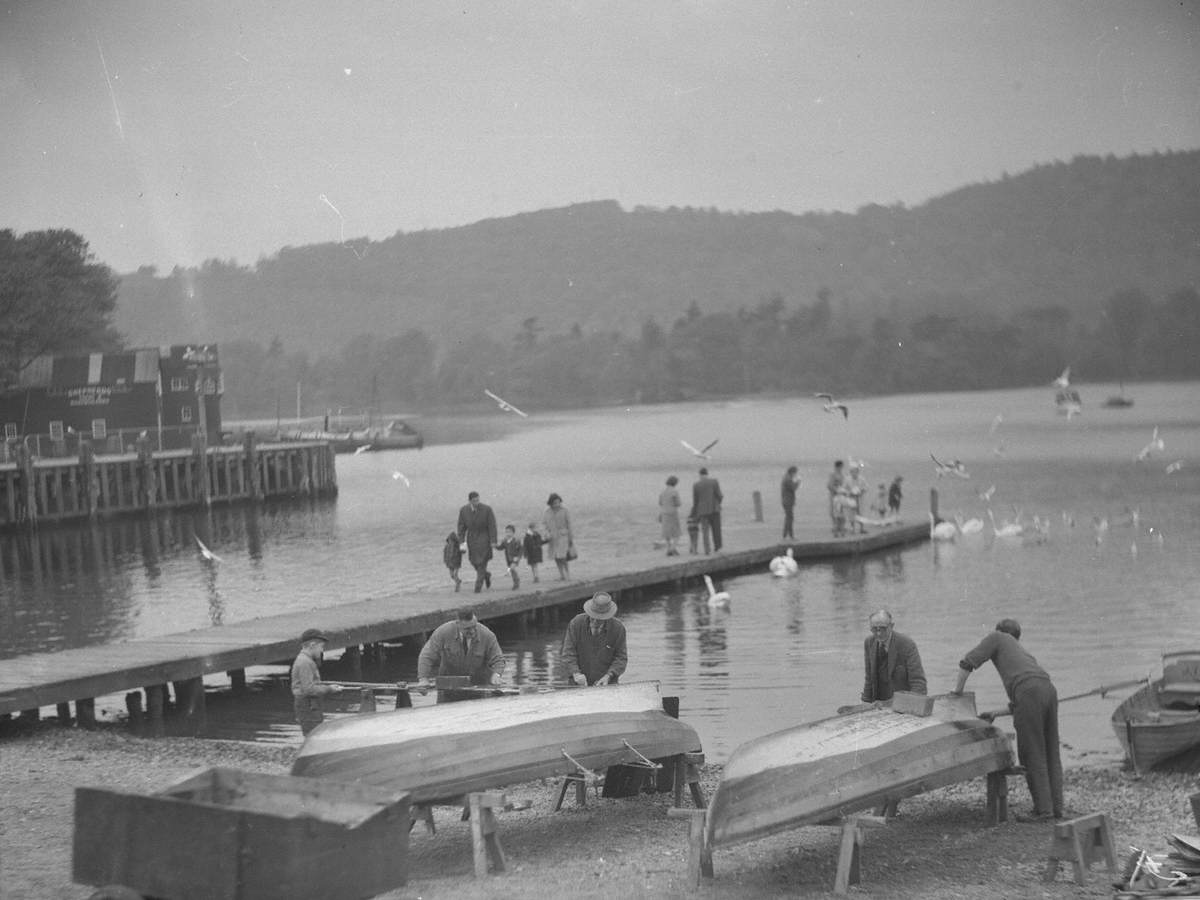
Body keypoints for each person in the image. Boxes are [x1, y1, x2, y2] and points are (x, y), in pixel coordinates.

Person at [951, 618, 1064, 821]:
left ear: (1000, 632)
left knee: (1032, 752)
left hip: (1029, 693)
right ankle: (1057, 808)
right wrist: (995, 713)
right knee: (1050, 750)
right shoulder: (1024, 654)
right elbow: (1025, 700)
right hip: (1048, 690)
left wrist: (957, 692)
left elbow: (967, 662)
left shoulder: (997, 637)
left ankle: (1044, 811)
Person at [417, 609, 505, 701]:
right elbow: (427, 656)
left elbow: (498, 658)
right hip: (449, 687)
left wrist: (496, 674)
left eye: (474, 627)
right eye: (467, 629)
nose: (472, 631)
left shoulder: (487, 635)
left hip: (478, 688)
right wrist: (423, 679)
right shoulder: (443, 632)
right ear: (457, 624)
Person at [561, 592, 628, 687]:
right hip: (577, 685)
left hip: (607, 685)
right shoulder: (575, 624)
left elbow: (621, 658)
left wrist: (608, 676)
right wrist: (576, 673)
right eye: (593, 617)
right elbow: (568, 654)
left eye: (600, 619)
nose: (595, 621)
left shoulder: (618, 628)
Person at [860, 610, 927, 703]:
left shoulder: (907, 644)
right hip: (878, 703)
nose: (878, 633)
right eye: (874, 629)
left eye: (883, 628)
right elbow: (869, 678)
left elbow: (918, 682)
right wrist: (866, 702)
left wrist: (913, 705)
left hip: (902, 703)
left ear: (891, 626)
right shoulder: (869, 642)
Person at [291, 628, 340, 735]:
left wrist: (327, 687)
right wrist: (329, 689)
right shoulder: (305, 662)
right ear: (312, 645)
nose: (322, 651)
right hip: (308, 706)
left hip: (310, 705)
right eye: (321, 647)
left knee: (314, 734)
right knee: (313, 734)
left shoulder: (306, 660)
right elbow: (309, 689)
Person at [457, 491, 498, 593]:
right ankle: (486, 575)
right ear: (470, 501)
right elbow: (461, 527)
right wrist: (461, 541)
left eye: (478, 500)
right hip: (472, 539)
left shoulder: (487, 509)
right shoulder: (464, 510)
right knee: (473, 561)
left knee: (482, 562)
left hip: (484, 538)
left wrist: (493, 540)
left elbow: (492, 526)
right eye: (474, 501)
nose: (477, 502)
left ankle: (477, 587)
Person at [542, 492, 574, 580]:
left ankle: (568, 575)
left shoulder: (565, 510)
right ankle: (561, 575)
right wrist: (546, 534)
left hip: (563, 536)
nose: (557, 504)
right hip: (552, 537)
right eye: (555, 502)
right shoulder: (547, 512)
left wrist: (570, 537)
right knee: (556, 557)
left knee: (563, 556)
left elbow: (569, 524)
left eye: (558, 502)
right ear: (551, 503)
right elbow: (544, 524)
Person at [692, 467, 723, 554]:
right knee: (716, 529)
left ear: (700, 475)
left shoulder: (696, 485)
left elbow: (695, 500)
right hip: (714, 509)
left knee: (705, 531)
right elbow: (719, 495)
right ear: (707, 474)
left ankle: (707, 549)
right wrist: (718, 503)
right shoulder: (714, 482)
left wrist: (694, 512)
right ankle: (717, 547)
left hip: (702, 511)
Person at [658, 475, 682, 556]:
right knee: (677, 533)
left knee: (666, 533)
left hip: (664, 513)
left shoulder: (663, 492)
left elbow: (660, 503)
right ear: (675, 483)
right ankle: (672, 548)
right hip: (672, 513)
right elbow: (678, 503)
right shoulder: (674, 491)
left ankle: (669, 548)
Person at [496, 524, 523, 589]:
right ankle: (516, 582)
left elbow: (521, 549)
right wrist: (495, 546)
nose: (508, 533)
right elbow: (501, 548)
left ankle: (516, 581)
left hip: (515, 558)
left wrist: (518, 557)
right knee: (511, 570)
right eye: (506, 532)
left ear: (513, 533)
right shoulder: (505, 541)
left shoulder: (516, 540)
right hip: (508, 559)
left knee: (512, 568)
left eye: (509, 532)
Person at [844, 464, 868, 533]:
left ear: (858, 472)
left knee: (861, 513)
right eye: (852, 471)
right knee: (851, 514)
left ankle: (862, 528)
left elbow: (866, 487)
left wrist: (861, 491)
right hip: (851, 499)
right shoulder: (847, 479)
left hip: (859, 498)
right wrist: (849, 492)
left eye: (856, 471)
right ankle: (852, 528)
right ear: (850, 472)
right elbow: (844, 488)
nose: (854, 473)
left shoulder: (862, 479)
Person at [826, 460, 846, 536]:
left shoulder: (841, 474)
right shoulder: (833, 474)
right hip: (834, 496)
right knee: (835, 512)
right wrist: (836, 490)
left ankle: (841, 528)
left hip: (841, 496)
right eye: (841, 467)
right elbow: (829, 485)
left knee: (842, 512)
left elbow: (844, 484)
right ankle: (836, 528)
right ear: (838, 467)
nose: (841, 468)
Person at [781, 466, 800, 539]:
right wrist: (798, 482)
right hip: (788, 501)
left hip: (787, 500)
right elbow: (793, 488)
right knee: (790, 518)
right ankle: (790, 535)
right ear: (792, 472)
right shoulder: (788, 479)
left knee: (788, 517)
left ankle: (785, 534)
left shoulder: (786, 478)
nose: (795, 474)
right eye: (795, 473)